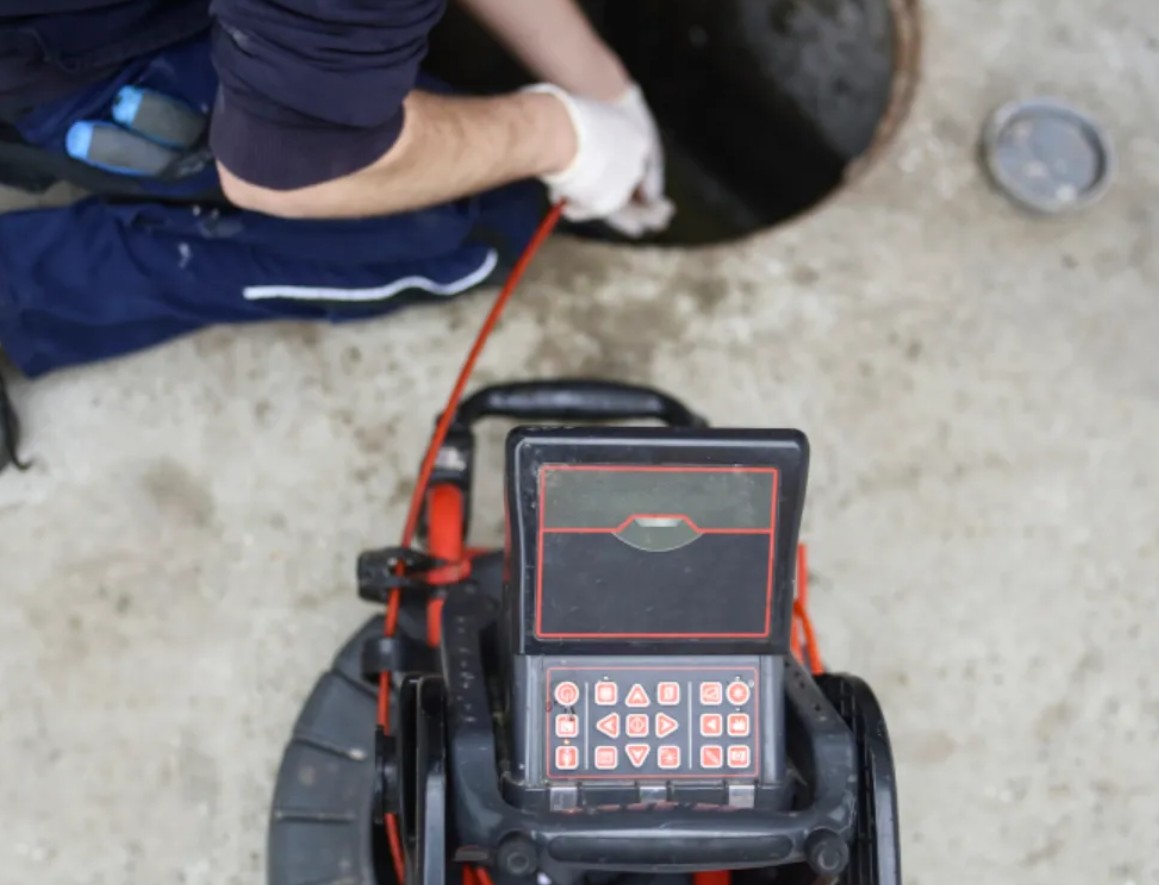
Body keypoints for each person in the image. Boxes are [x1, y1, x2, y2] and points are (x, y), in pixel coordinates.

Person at [0, 0, 674, 473]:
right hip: (64, 56)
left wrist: (594, 80)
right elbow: (287, 166)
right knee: (475, 228)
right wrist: (558, 138)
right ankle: (21, 290)